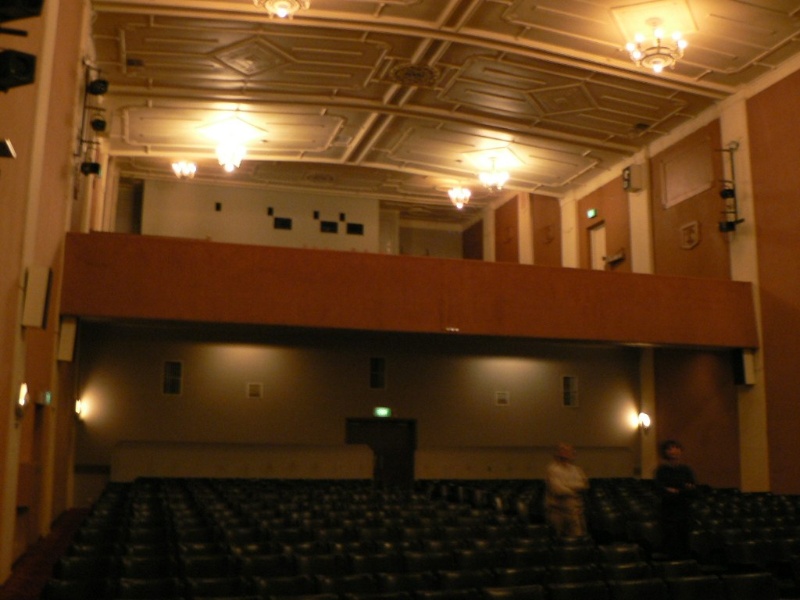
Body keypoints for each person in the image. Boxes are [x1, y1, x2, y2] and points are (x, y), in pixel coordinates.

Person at [655, 439, 696, 558]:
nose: (673, 450)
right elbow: (661, 489)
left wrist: (677, 490)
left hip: (684, 510)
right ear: (665, 452)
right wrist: (681, 488)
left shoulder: (686, 470)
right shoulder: (662, 470)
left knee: (684, 541)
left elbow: (692, 488)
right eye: (669, 448)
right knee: (671, 541)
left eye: (676, 447)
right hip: (668, 511)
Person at [545, 442, 589, 538]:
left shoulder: (576, 470)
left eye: (569, 451)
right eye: (564, 451)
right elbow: (558, 490)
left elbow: (583, 485)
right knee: (558, 538)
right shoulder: (553, 469)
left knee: (577, 537)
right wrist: (574, 491)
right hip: (558, 511)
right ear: (558, 453)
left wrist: (566, 486)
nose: (567, 453)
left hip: (575, 510)